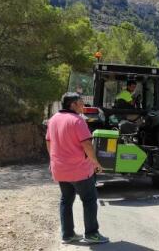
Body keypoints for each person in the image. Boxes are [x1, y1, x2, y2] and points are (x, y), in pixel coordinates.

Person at [45, 92, 109, 244]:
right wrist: (96, 163)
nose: (83, 105)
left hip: (60, 169)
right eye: (81, 102)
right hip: (79, 170)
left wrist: (53, 160)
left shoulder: (53, 119)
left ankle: (67, 235)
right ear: (72, 104)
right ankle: (92, 234)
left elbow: (49, 142)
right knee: (89, 199)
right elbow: (87, 145)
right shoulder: (77, 121)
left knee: (66, 200)